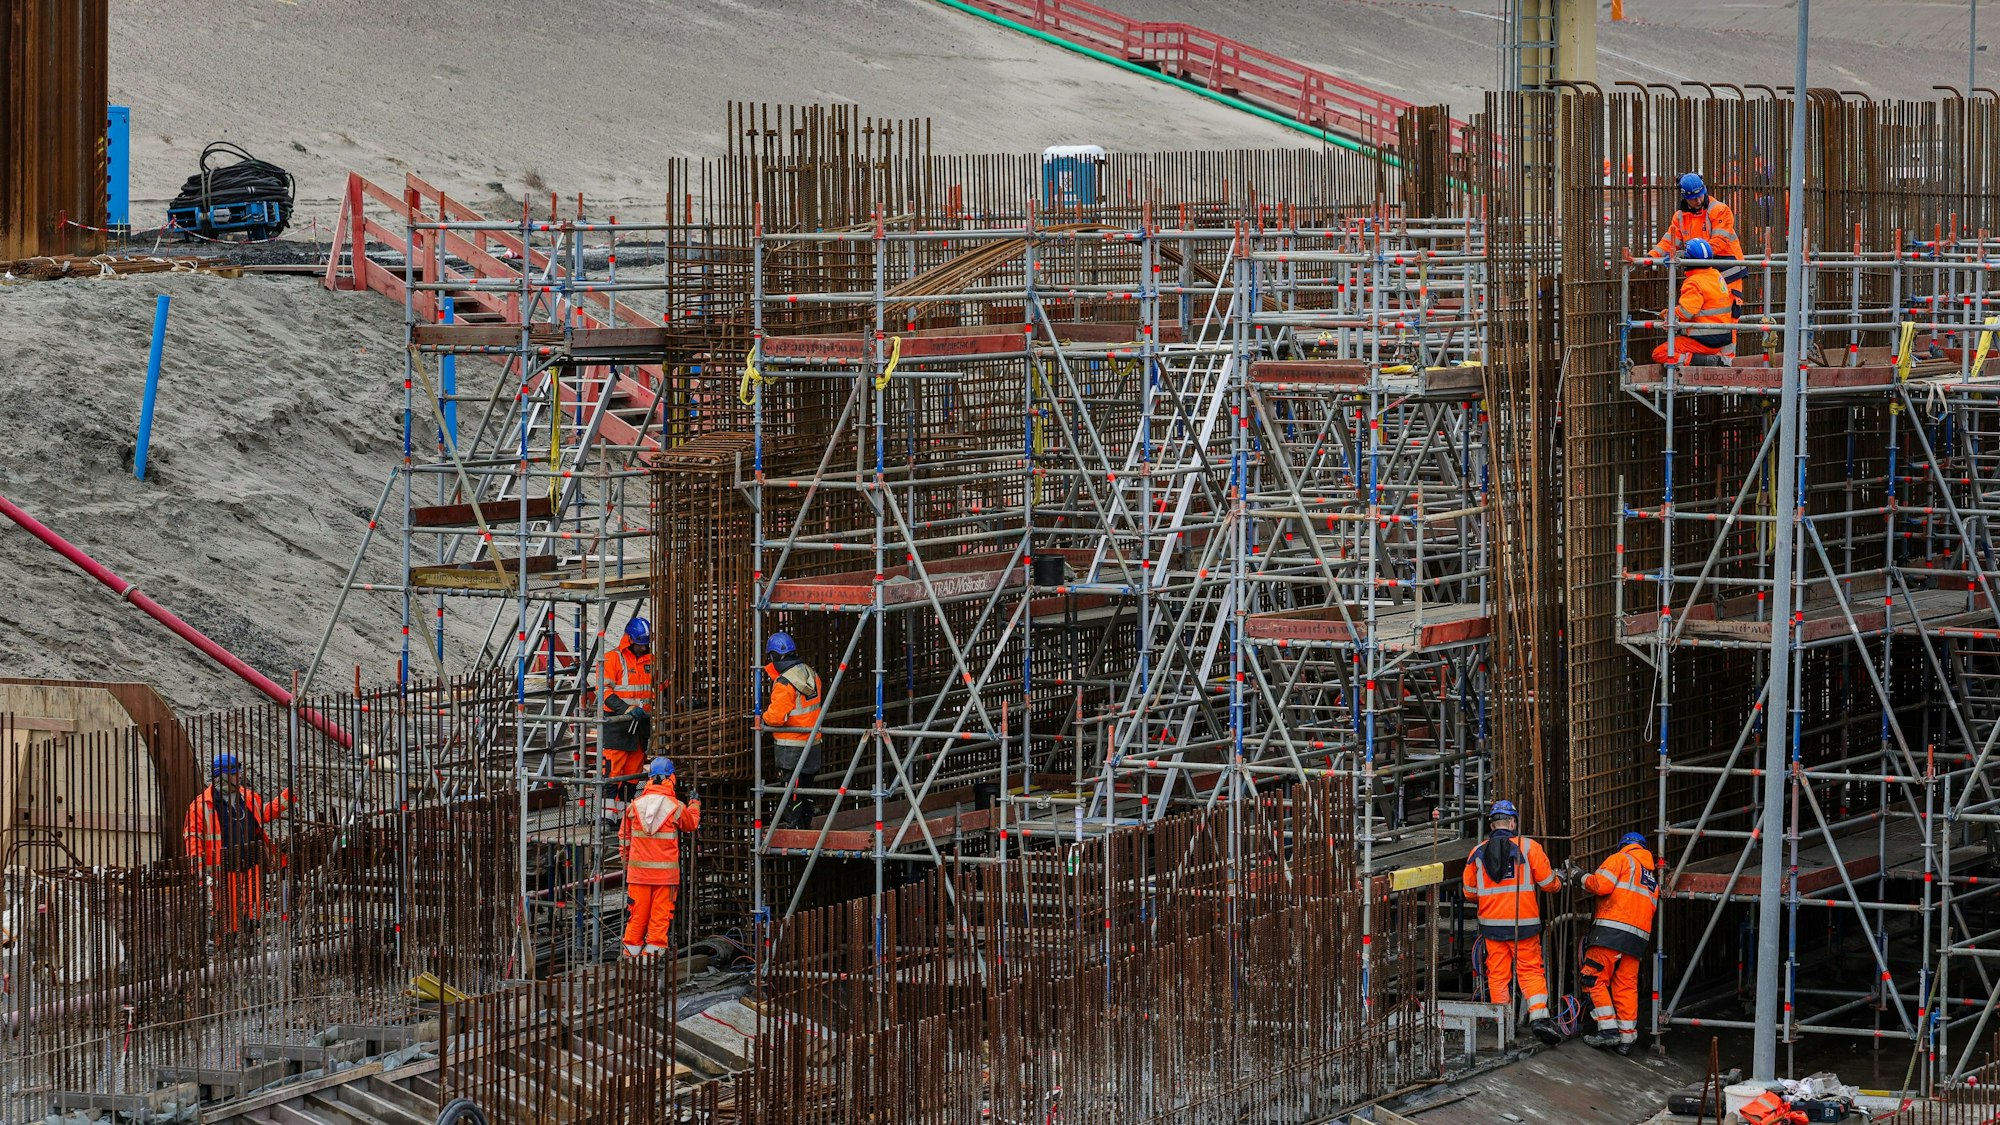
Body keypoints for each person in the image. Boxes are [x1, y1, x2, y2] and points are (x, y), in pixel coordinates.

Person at [1463, 799, 1565, 1045]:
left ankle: (1504, 1025)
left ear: (1492, 825)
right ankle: (1539, 1018)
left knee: (1497, 974)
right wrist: (1560, 881)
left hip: (1491, 926)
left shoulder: (1477, 853)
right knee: (1530, 970)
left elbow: (1469, 892)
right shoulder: (1529, 847)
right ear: (1512, 823)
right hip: (1523, 925)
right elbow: (1548, 883)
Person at [182, 754, 291, 939]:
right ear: (223, 776)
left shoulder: (247, 797)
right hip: (225, 870)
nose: (239, 776)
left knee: (254, 913)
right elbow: (193, 839)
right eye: (234, 773)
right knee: (229, 918)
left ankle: (252, 942)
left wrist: (287, 797)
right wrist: (199, 870)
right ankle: (229, 946)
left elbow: (263, 813)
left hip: (251, 866)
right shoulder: (200, 806)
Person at [1576, 832, 1660, 1055]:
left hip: (1610, 933)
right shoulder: (1651, 879)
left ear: (1623, 846)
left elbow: (1600, 885)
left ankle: (1608, 1030)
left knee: (1592, 979)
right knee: (1625, 986)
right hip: (1636, 941)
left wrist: (1579, 877)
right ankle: (1626, 1037)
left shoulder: (1621, 859)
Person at [618, 757, 700, 961]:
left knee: (637, 915)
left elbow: (624, 838)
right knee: (660, 917)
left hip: (638, 875)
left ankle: (630, 954)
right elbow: (691, 824)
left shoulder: (635, 806)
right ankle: (651, 958)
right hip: (665, 877)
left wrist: (627, 863)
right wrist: (695, 804)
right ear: (671, 778)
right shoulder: (675, 807)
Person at [1638, 172, 1746, 304]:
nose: (1698, 201)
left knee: (1724, 311)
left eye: (1700, 195)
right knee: (1704, 313)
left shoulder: (1719, 210)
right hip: (1704, 274)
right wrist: (1651, 257)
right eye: (1693, 198)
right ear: (1685, 198)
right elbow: (1669, 242)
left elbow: (1719, 242)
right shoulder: (1680, 217)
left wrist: (1690, 254)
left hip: (1727, 272)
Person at [761, 631, 823, 826]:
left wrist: (763, 717)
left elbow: (776, 718)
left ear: (774, 656)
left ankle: (795, 831)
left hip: (791, 748)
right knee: (806, 791)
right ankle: (805, 827)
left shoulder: (785, 683)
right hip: (813, 743)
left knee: (791, 795)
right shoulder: (811, 674)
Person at [1649, 239, 1736, 367]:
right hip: (1723, 338)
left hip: (1704, 340)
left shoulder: (1694, 282)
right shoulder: (1716, 275)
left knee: (1660, 353)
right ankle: (1708, 359)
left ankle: (1703, 361)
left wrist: (1668, 314)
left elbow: (1686, 312)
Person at [599, 616, 654, 785]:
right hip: (618, 727)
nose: (643, 647)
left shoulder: (652, 660)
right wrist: (626, 709)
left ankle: (627, 802)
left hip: (640, 727)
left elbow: (661, 688)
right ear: (629, 639)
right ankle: (610, 804)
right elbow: (604, 692)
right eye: (639, 644)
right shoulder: (612, 659)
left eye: (646, 644)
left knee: (633, 777)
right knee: (612, 777)